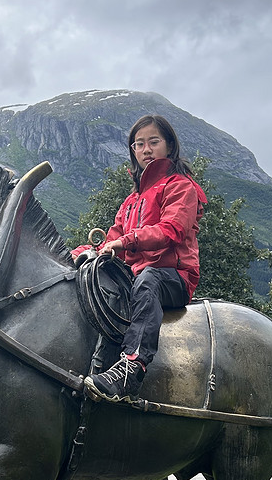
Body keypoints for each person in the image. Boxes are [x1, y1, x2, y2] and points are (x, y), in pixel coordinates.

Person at [71, 114, 207, 402]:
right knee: (95, 282)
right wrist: (82, 252)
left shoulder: (181, 186)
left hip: (173, 276)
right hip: (135, 277)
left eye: (153, 142)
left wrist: (124, 242)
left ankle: (132, 367)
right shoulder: (131, 201)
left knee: (148, 278)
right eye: (139, 144)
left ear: (169, 146)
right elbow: (112, 238)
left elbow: (171, 230)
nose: (146, 149)